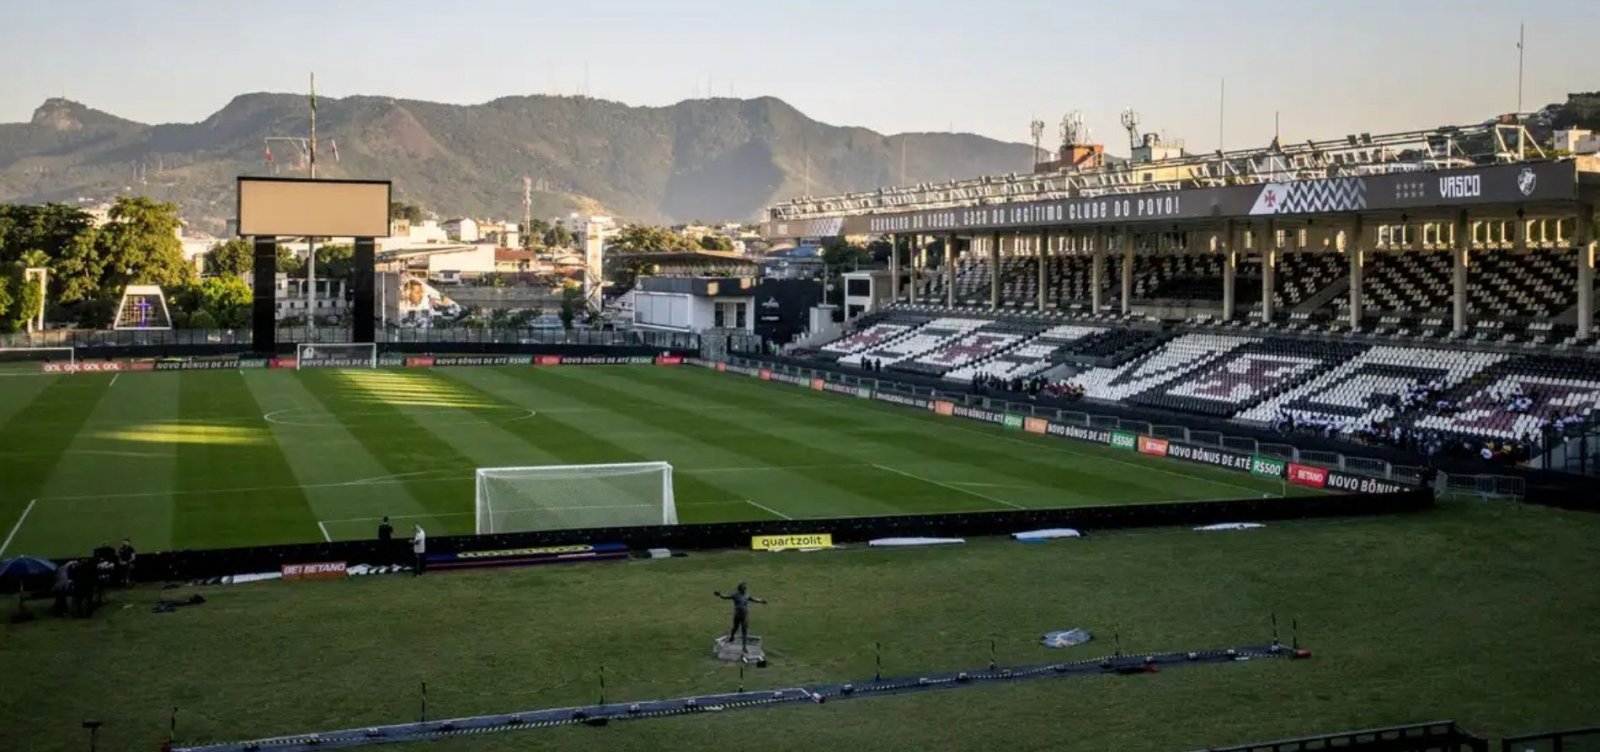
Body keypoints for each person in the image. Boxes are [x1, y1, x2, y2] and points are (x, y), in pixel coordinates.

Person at [713, 582, 767, 650]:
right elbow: (725, 597)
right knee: (735, 627)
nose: (745, 589)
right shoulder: (735, 595)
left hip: (744, 615)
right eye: (743, 588)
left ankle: (744, 646)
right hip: (738, 614)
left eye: (745, 588)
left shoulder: (747, 595)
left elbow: (754, 599)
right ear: (740, 589)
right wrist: (720, 595)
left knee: (744, 629)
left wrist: (761, 601)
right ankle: (732, 637)